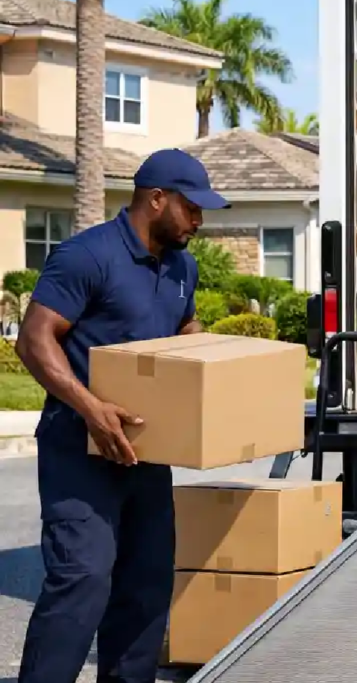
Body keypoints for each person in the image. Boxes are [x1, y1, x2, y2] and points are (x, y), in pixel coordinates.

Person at [15, 148, 230, 683]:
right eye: (192, 208)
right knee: (83, 580)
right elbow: (35, 339)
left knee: (146, 585)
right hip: (79, 447)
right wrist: (90, 408)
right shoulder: (87, 256)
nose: (199, 221)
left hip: (148, 451)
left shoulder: (182, 266)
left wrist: (218, 363)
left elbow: (183, 328)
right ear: (156, 199)